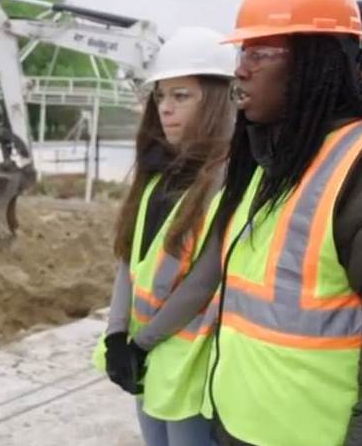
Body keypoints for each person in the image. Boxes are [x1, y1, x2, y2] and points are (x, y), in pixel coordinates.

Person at [131, 0, 362, 446]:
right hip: (235, 428)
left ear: (314, 64)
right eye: (243, 51)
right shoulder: (264, 161)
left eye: (260, 52)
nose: (242, 68)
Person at [94, 26, 235, 446]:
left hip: (191, 365)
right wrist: (117, 334)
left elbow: (205, 276)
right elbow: (130, 258)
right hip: (148, 358)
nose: (165, 109)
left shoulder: (228, 178)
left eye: (181, 96)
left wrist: (140, 344)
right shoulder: (158, 177)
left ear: (215, 99)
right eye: (160, 96)